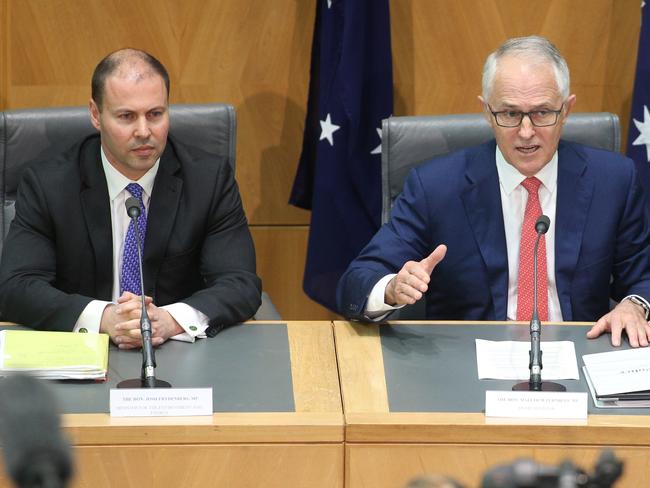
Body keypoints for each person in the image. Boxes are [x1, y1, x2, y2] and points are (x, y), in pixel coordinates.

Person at [337, 35, 650, 347]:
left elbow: (642, 276)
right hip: (466, 364)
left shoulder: (613, 181)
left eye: (542, 113)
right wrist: (391, 287)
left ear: (566, 110)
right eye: (510, 114)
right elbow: (356, 281)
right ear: (487, 112)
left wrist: (635, 304)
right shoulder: (436, 188)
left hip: (579, 354)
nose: (526, 133)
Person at [0, 48, 261, 348]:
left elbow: (240, 284)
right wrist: (104, 317)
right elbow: (15, 286)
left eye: (155, 114)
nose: (143, 131)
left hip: (178, 351)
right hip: (80, 352)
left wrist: (169, 320)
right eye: (126, 116)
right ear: (96, 115)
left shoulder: (209, 181)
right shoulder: (49, 184)